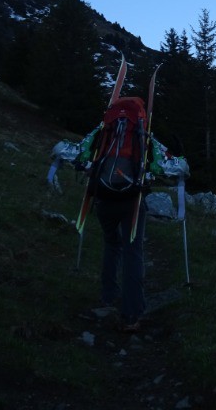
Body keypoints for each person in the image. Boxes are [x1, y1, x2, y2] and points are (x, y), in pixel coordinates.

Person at [85, 96, 149, 333]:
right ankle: (132, 314)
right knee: (133, 252)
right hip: (131, 199)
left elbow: (83, 153)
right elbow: (162, 164)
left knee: (112, 245)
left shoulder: (105, 130)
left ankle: (108, 297)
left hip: (103, 196)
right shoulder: (142, 133)